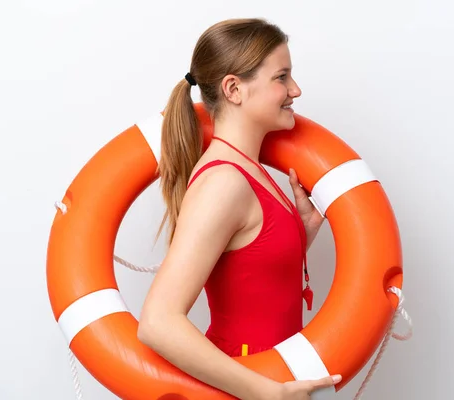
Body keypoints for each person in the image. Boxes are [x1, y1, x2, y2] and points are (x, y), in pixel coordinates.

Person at [137, 18, 341, 400]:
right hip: (249, 385)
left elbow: (248, 277)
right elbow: (158, 322)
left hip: (270, 376)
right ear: (233, 89)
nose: (295, 90)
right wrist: (268, 393)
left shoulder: (251, 171)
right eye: (281, 77)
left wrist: (300, 234)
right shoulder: (224, 182)